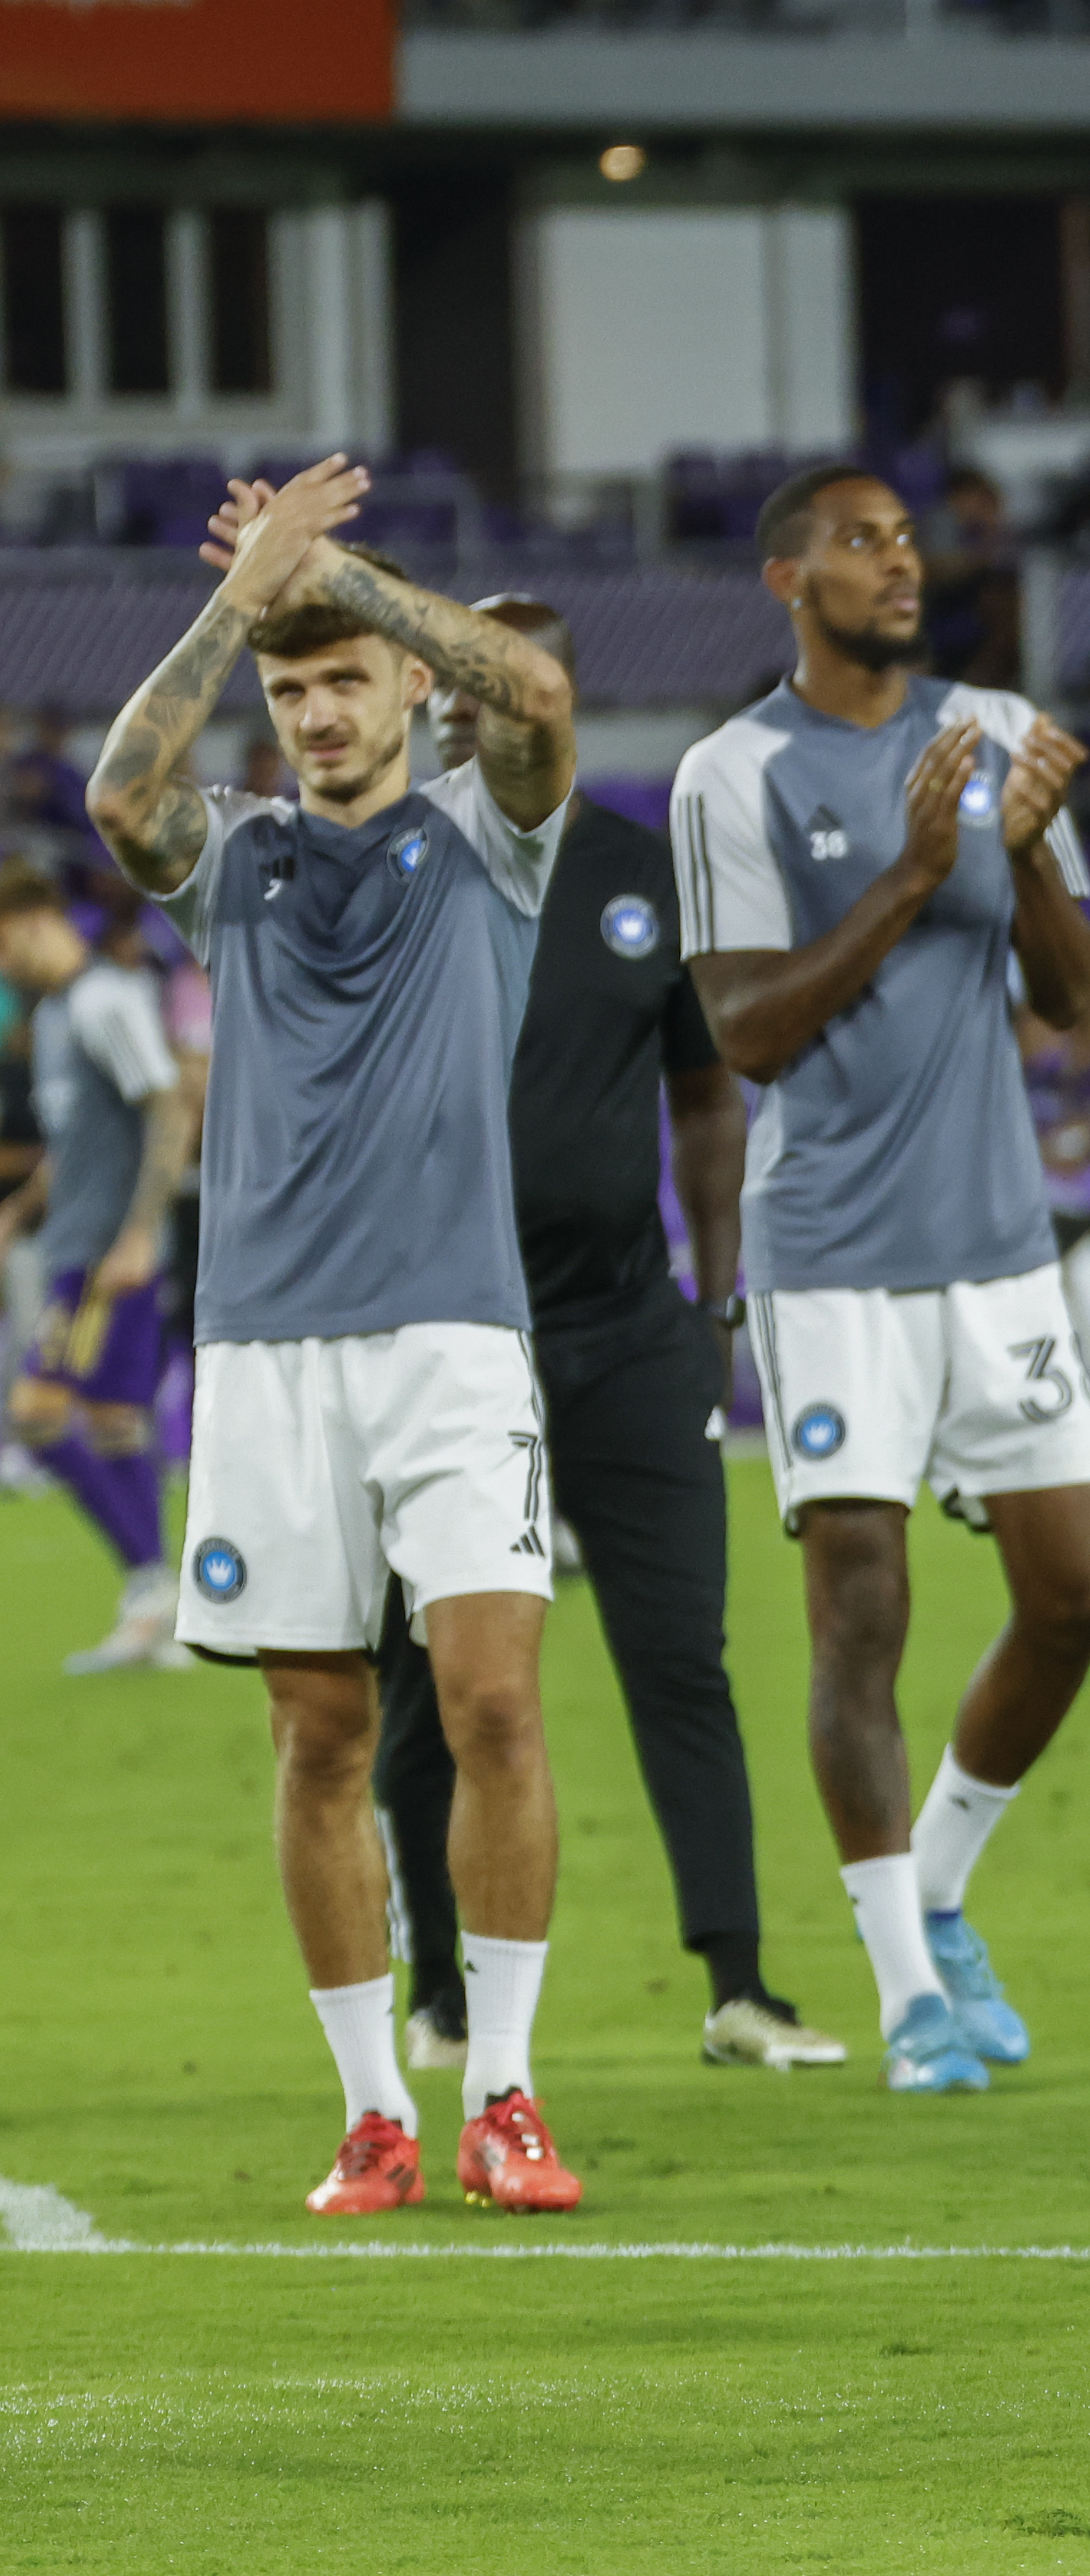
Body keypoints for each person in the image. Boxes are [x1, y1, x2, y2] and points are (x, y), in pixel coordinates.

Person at [86, 459, 589, 2217]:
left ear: (404, 693)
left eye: (339, 684)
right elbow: (118, 797)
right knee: (314, 1734)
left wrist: (342, 576)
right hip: (268, 1353)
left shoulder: (486, 836)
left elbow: (533, 697)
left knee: (494, 1703)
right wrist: (244, 603)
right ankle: (375, 2109)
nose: (310, 715)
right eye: (289, 692)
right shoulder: (236, 859)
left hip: (454, 1340)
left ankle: (505, 2096)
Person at [672, 463, 1090, 2097]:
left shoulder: (991, 722)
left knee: (1079, 1592)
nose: (899, 562)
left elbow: (1070, 1001)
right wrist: (920, 873)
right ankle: (904, 1992)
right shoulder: (731, 774)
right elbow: (745, 1029)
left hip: (994, 1246)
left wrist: (1034, 851)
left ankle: (931, 1888)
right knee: (861, 1616)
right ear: (787, 574)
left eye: (908, 538)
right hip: (835, 1257)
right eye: (860, 541)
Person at [370, 594, 840, 2080]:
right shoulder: (388, 870)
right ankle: (440, 1989)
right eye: (443, 680)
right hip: (444, 1332)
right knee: (424, 1678)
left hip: (628, 1323)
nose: (465, 703)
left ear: (555, 695)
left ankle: (742, 1985)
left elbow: (708, 1100)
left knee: (678, 1652)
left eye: (490, 677)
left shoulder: (648, 874)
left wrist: (718, 1299)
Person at [0, 860, 194, 1670]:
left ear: (36, 921)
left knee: (38, 1413)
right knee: (116, 1423)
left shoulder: (106, 999)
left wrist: (140, 1234)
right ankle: (157, 1605)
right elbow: (77, 1141)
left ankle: (153, 1586)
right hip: (81, 1246)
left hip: (110, 1257)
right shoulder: (52, 1019)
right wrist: (21, 1208)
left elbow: (168, 1104)